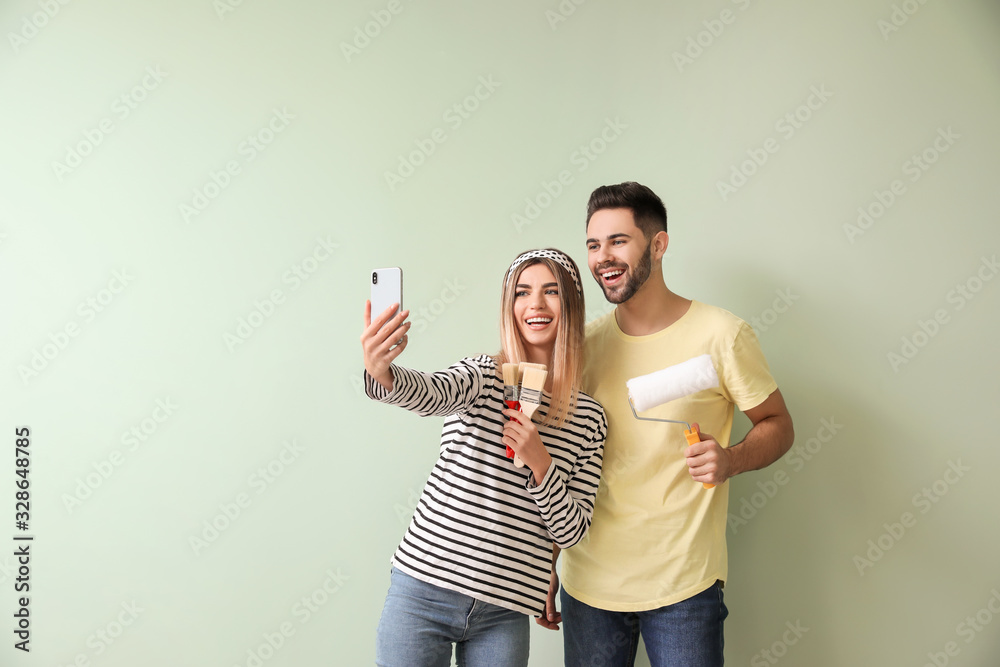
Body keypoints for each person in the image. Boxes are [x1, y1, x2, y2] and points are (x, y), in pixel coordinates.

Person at [538, 182, 795, 666]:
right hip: (589, 587)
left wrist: (731, 459)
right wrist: (548, 560)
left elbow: (779, 424)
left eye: (618, 241)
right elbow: (568, 466)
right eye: (593, 244)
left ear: (658, 245)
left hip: (683, 588)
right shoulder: (582, 348)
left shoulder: (721, 335)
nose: (602, 257)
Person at [362, 248, 607, 667]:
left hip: (504, 611)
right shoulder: (483, 375)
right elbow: (432, 392)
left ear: (572, 305)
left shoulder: (589, 417)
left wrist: (541, 464)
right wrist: (382, 371)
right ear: (509, 306)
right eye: (522, 292)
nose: (535, 304)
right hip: (423, 591)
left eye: (551, 292)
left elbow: (572, 532)